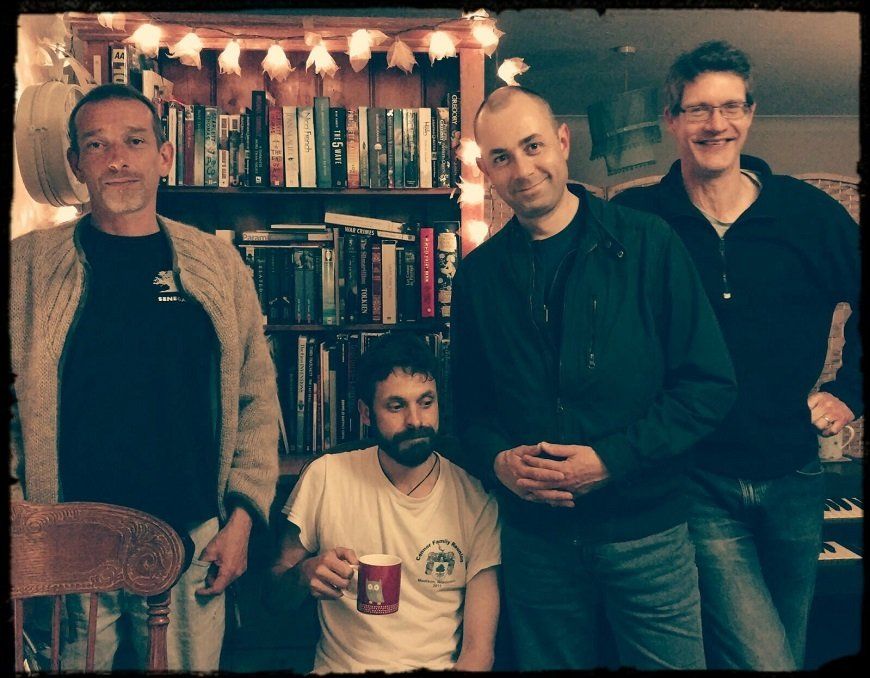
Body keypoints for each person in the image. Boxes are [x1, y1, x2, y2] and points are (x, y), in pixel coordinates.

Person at [450, 85, 738, 671]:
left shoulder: (650, 244)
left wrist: (611, 460)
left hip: (647, 534)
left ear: (563, 141)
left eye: (533, 146)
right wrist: (498, 462)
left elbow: (709, 387)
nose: (522, 170)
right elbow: (466, 412)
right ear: (485, 169)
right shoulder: (477, 277)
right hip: (536, 545)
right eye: (502, 157)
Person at [9, 83, 280, 671]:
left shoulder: (219, 266)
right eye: (96, 145)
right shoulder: (24, 267)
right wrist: (20, 524)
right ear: (76, 163)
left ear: (164, 155)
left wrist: (241, 520)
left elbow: (256, 401)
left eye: (134, 141)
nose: (117, 159)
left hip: (191, 541)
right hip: (66, 545)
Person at [612, 40, 862, 670]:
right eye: (697, 109)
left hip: (795, 474)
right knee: (765, 659)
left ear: (750, 114)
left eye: (730, 107)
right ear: (671, 119)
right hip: (697, 478)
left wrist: (850, 392)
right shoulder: (641, 220)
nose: (715, 124)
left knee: (788, 648)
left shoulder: (807, 215)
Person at [269, 332, 500, 673]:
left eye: (426, 402)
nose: (415, 421)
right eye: (396, 406)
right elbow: (273, 595)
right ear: (366, 413)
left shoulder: (475, 497)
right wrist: (304, 575)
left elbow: (478, 654)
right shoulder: (326, 475)